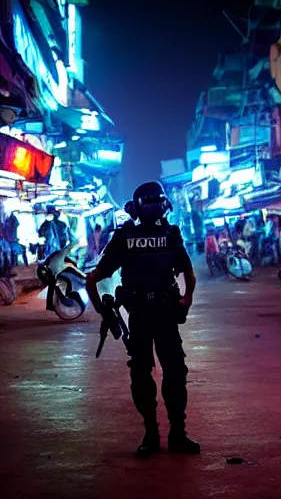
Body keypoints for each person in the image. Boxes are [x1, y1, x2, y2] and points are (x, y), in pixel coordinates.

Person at [84, 182, 200, 457]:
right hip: (154, 315)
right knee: (158, 374)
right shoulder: (163, 233)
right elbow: (188, 273)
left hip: (148, 316)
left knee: (158, 374)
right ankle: (166, 434)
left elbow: (93, 279)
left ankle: (161, 435)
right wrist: (186, 299)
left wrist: (102, 309)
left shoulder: (141, 235)